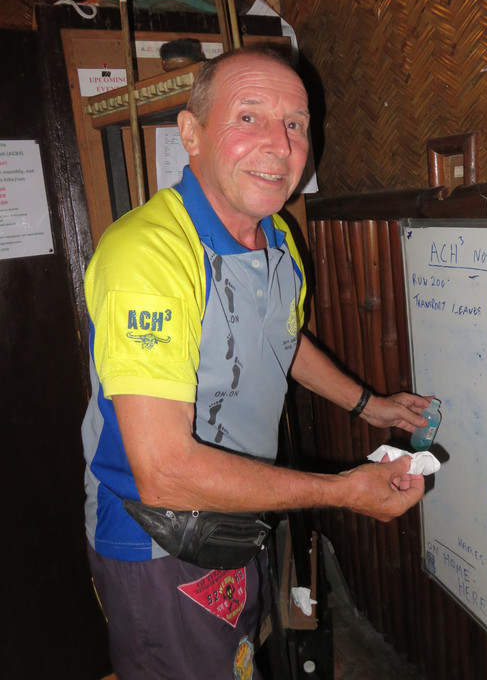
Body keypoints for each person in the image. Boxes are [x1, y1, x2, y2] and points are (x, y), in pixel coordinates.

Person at [81, 47, 431, 680]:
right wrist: (343, 493)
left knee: (240, 662)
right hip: (159, 538)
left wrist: (369, 405)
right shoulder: (148, 254)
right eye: (249, 117)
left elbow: (281, 340)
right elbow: (165, 472)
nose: (279, 144)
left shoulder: (277, 236)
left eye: (295, 123)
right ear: (191, 134)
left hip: (241, 510)